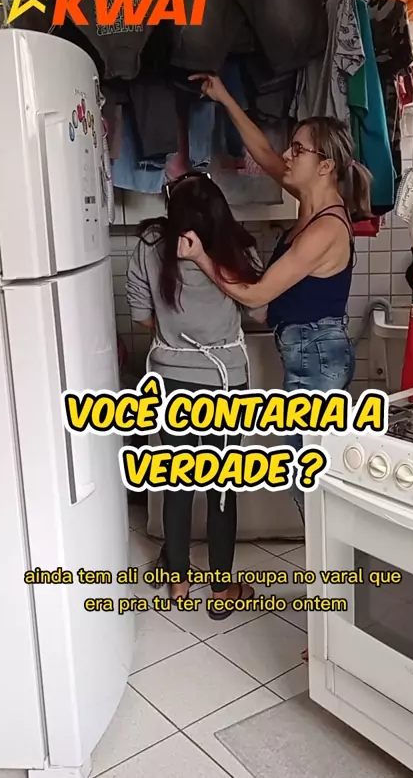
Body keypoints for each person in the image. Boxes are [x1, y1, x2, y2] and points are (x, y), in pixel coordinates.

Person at [178, 79, 372, 652]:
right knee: (311, 491)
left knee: (314, 495)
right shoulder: (308, 202)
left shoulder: (327, 226)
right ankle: (340, 617)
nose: (287, 155)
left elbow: (259, 294)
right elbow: (264, 153)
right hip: (308, 355)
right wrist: (224, 97)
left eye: (299, 149)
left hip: (317, 361)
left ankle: (338, 626)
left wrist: (203, 259)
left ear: (326, 165)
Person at [126, 171, 265, 618]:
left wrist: (177, 338)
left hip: (170, 381)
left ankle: (179, 581)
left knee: (178, 482)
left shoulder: (149, 243)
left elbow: (141, 315)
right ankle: (222, 589)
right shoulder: (237, 246)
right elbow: (260, 308)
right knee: (223, 484)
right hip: (225, 383)